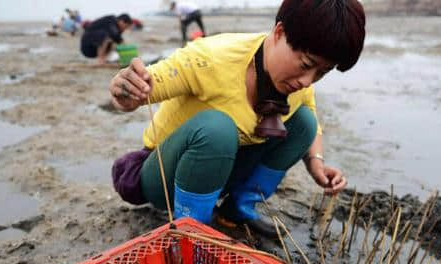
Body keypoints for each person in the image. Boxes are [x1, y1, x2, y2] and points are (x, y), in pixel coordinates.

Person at [109, 0, 365, 237]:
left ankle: (237, 211)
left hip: (223, 171)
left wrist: (316, 164)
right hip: (168, 177)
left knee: (304, 122)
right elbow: (144, 87)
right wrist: (126, 89)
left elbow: (310, 117)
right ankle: (192, 230)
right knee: (217, 128)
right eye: (307, 64)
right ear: (279, 33)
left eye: (322, 72)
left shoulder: (297, 81)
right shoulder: (210, 59)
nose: (308, 80)